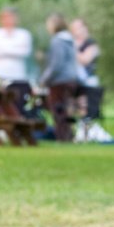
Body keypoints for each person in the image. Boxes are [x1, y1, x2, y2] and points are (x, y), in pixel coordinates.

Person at [39, 13, 81, 143]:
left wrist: (44, 80)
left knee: (58, 109)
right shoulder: (69, 40)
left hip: (60, 81)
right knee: (65, 109)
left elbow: (56, 64)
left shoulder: (58, 41)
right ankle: (68, 135)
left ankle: (63, 137)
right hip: (71, 79)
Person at [0, 6, 33, 111]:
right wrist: (14, 49)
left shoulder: (23, 34)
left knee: (16, 106)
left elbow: (25, 51)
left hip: (17, 77)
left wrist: (3, 49)